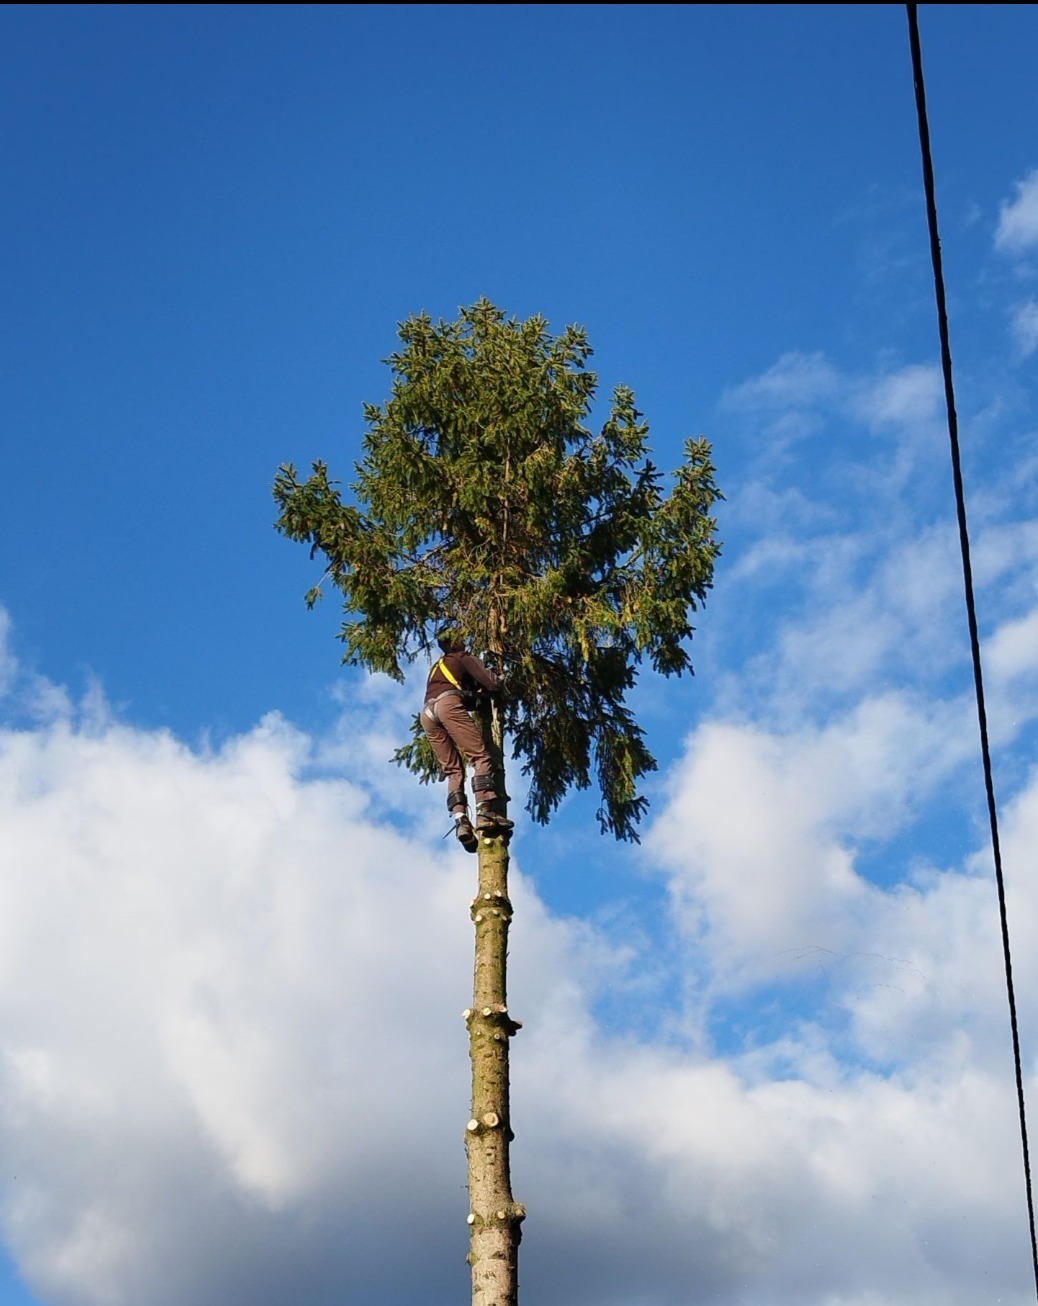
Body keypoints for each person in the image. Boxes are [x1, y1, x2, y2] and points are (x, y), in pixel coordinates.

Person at [422, 631, 513, 852]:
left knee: (453, 770)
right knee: (480, 756)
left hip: (427, 714)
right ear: (457, 643)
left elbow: (464, 693)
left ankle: (460, 820)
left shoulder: (438, 666)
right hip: (448, 705)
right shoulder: (462, 657)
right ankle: (485, 811)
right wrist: (499, 678)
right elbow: (492, 685)